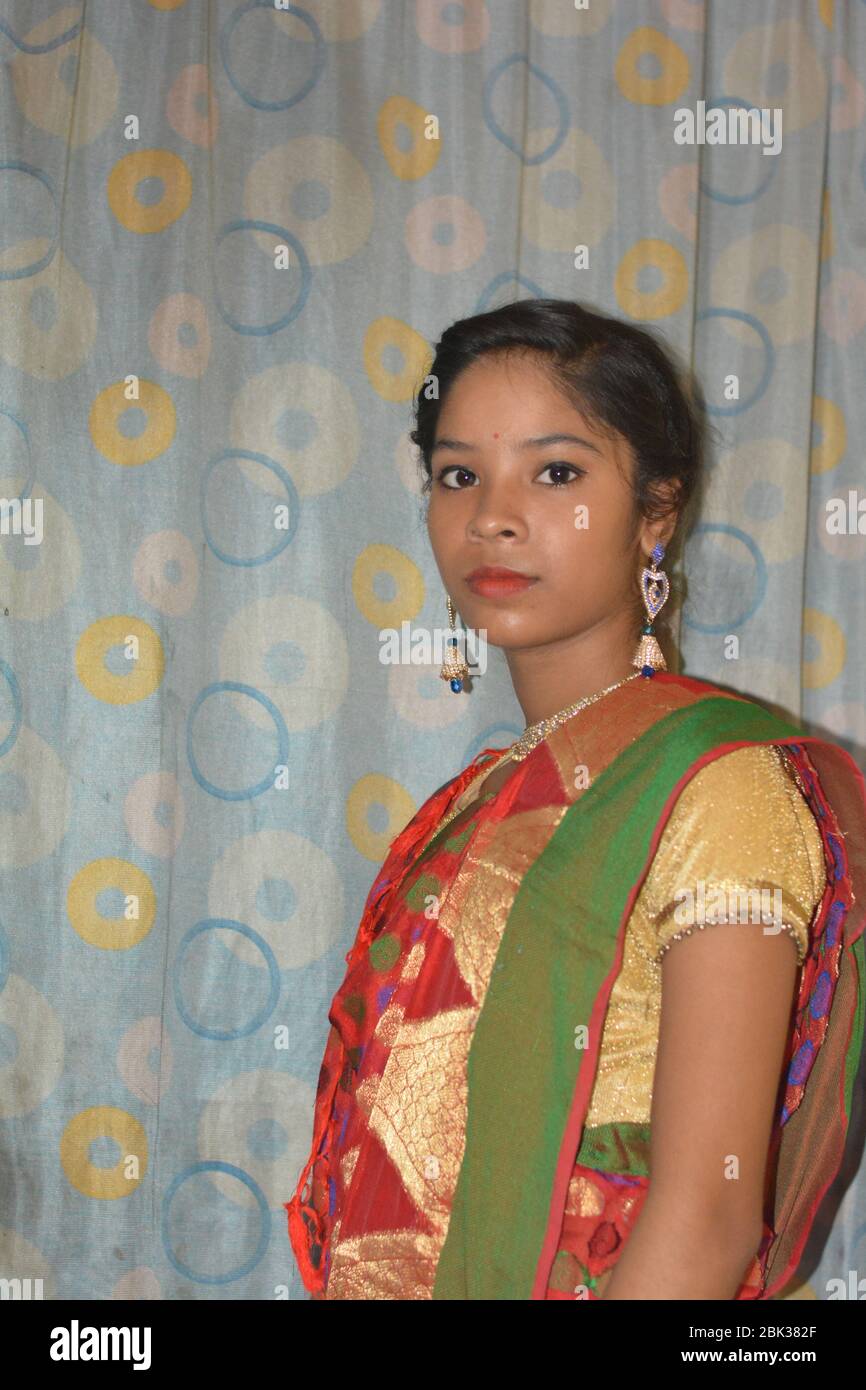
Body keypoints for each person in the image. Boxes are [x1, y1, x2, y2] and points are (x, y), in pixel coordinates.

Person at [285, 298, 866, 1300]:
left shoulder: (713, 784)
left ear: (654, 511)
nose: (491, 514)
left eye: (555, 472)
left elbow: (709, 1219)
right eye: (457, 474)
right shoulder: (468, 806)